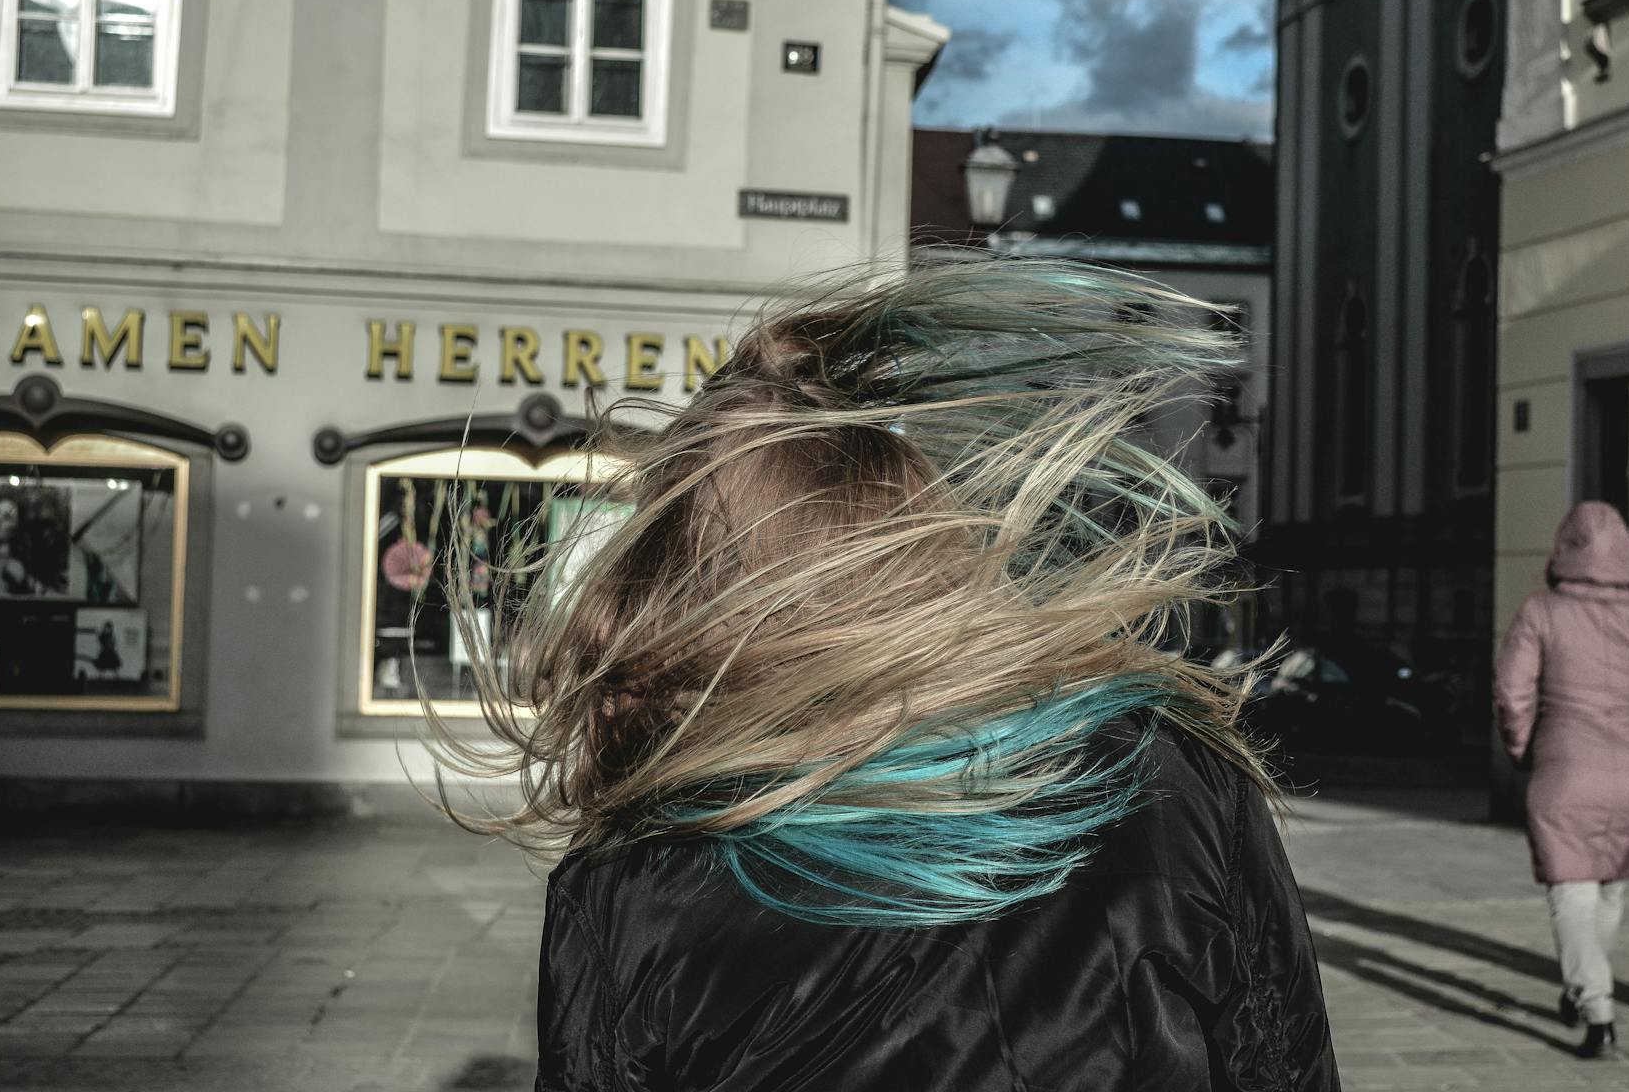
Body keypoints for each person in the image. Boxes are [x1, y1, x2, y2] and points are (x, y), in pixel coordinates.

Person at [431, 261, 1340, 1091]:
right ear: (922, 542)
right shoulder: (1164, 775)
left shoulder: (634, 877)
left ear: (674, 593)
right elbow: (1280, 1064)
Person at [1494, 501, 1629, 1060]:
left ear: (1564, 549)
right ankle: (1584, 986)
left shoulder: (1541, 611)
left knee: (1572, 892)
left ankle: (1598, 1011)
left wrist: (1522, 748)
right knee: (1610, 887)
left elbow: (1512, 693)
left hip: (1565, 767)